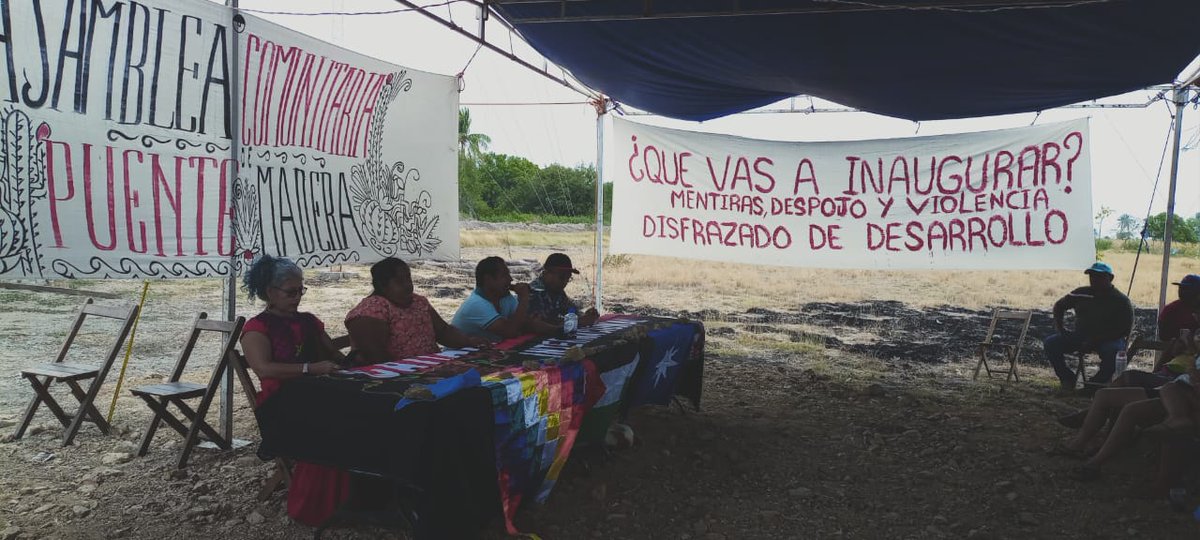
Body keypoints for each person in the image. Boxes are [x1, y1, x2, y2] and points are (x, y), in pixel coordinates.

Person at [238, 254, 348, 527]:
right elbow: (263, 368)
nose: (298, 296)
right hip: (281, 405)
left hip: (316, 395)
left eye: (301, 290)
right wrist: (311, 368)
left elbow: (332, 353)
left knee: (362, 414)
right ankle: (316, 504)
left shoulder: (308, 321)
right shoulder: (257, 328)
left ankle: (357, 495)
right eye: (291, 291)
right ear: (270, 292)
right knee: (336, 426)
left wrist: (354, 356)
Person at [345, 257, 488, 365]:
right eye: (400, 282)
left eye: (408, 278)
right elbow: (375, 355)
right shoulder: (372, 310)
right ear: (383, 285)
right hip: (400, 374)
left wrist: (468, 341)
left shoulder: (418, 302)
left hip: (431, 366)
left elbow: (443, 331)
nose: (408, 285)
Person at [1043, 261, 1134, 392]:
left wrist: (1096, 340)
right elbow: (1059, 306)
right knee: (1051, 343)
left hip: (1109, 338)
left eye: (1099, 276)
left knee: (1114, 352)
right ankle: (1067, 378)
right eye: (1092, 276)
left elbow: (1124, 329)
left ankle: (1094, 386)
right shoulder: (1081, 293)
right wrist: (1060, 328)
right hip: (1080, 335)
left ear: (1110, 278)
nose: (1094, 280)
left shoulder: (1121, 300)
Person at [452, 256, 554, 340]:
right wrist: (523, 298)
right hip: (457, 357)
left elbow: (525, 323)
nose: (510, 279)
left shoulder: (504, 297)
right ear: (488, 279)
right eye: (504, 275)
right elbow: (510, 332)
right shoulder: (477, 304)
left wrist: (556, 329)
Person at [529, 252, 600, 330]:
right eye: (562, 277)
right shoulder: (534, 291)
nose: (565, 282)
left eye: (568, 278)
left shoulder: (556, 290)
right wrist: (579, 321)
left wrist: (585, 316)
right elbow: (538, 324)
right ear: (547, 273)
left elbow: (570, 311)